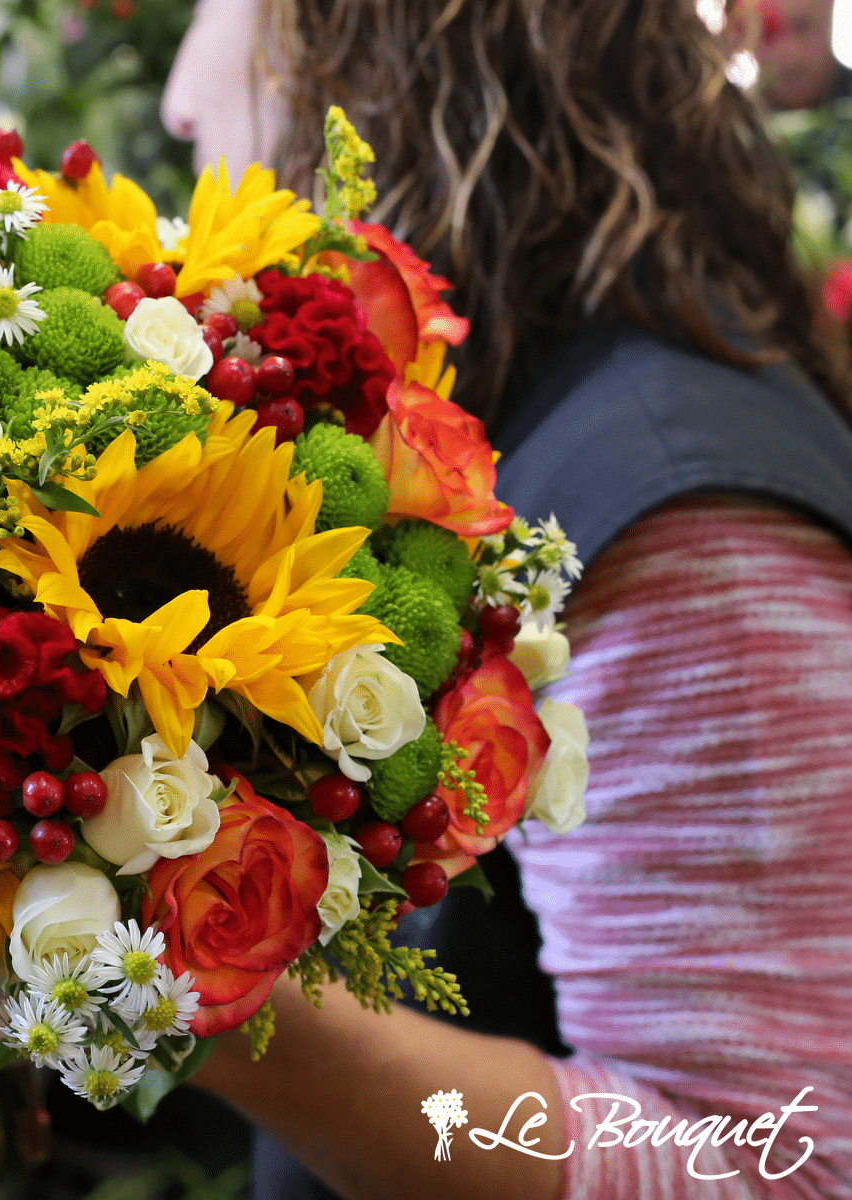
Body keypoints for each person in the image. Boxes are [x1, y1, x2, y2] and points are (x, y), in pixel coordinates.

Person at [162, 2, 852, 1199]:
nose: (177, 92)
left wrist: (196, 1004)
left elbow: (776, 1163)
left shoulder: (684, 515)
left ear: (371, 42)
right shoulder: (519, 407)